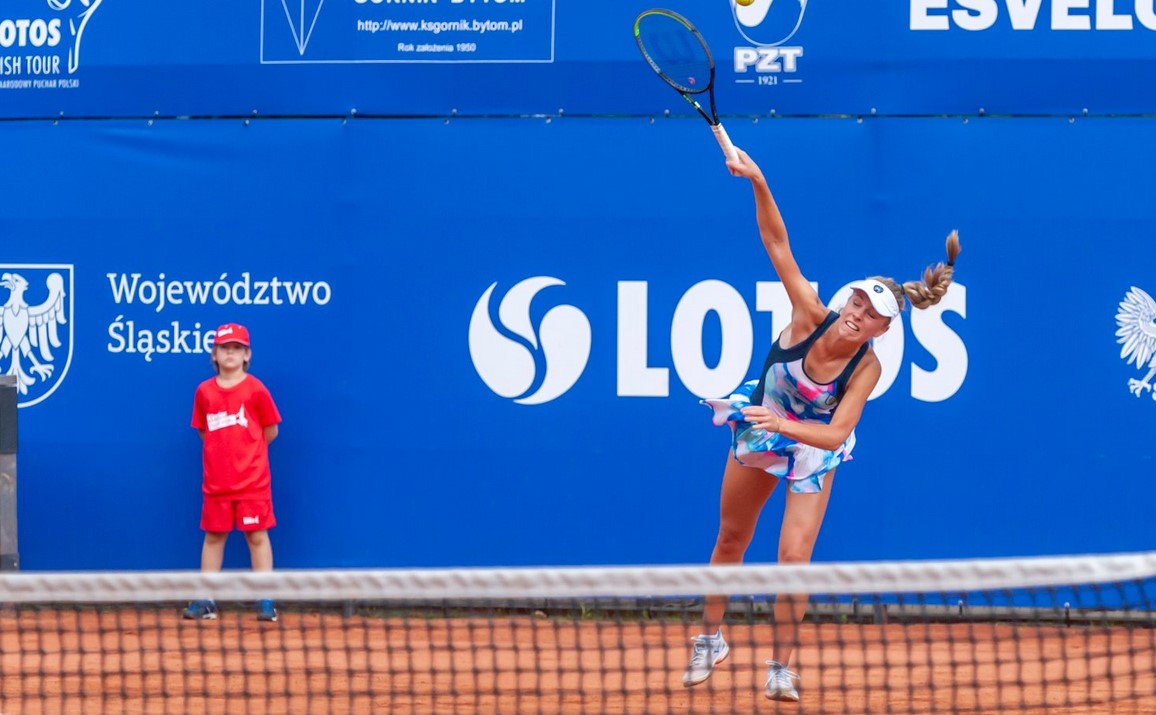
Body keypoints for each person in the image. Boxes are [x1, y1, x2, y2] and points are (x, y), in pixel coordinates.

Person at [682, 148, 961, 701]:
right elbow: (776, 243)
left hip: (809, 446)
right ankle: (710, 639)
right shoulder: (809, 312)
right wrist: (759, 180)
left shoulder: (868, 369)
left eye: (871, 315)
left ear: (882, 329)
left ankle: (779, 668)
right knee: (732, 537)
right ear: (848, 299)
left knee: (794, 558)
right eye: (857, 303)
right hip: (763, 427)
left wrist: (783, 424)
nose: (858, 315)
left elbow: (834, 436)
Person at [183, 323, 283, 622]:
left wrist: (248, 454)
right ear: (214, 354)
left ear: (246, 355)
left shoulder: (256, 389)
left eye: (237, 348)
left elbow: (270, 431)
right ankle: (206, 599)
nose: (230, 353)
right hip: (217, 484)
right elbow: (204, 432)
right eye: (224, 348)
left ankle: (265, 598)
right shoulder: (204, 391)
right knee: (214, 537)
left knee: (257, 536)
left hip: (253, 482)